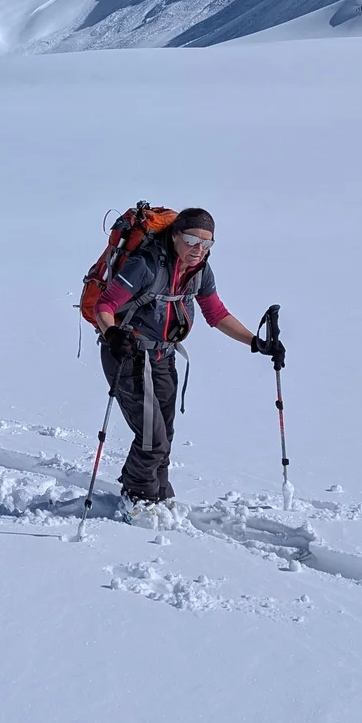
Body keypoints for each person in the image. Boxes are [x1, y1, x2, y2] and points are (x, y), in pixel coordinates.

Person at [91, 207, 279, 511]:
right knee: (152, 438)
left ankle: (158, 493)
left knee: (164, 433)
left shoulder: (200, 271)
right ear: (176, 235)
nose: (199, 249)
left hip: (164, 356)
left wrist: (256, 343)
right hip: (129, 355)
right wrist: (112, 334)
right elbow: (106, 304)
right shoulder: (146, 265)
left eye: (207, 243)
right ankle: (137, 498)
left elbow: (216, 314)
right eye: (192, 239)